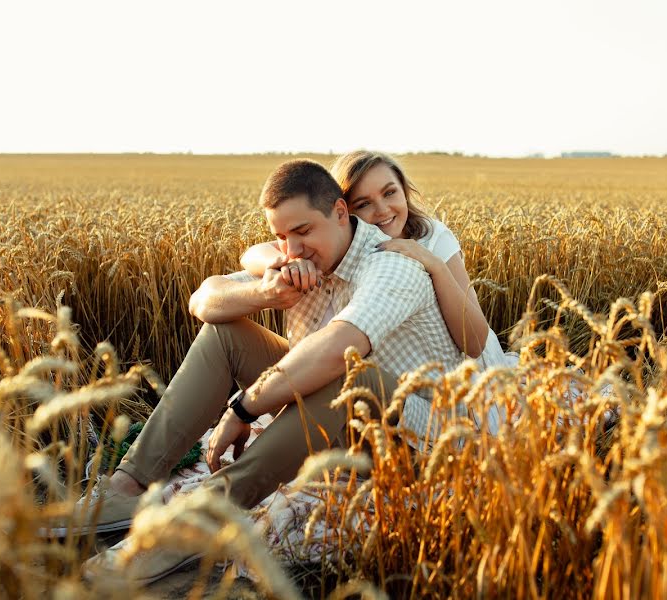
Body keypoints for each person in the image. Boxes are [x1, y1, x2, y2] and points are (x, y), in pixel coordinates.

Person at [70, 158, 467, 584]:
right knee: (226, 334)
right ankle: (130, 485)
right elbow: (203, 299)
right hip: (333, 418)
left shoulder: (392, 265)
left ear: (339, 213)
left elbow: (336, 351)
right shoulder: (303, 261)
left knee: (348, 370)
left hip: (421, 438)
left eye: (302, 232)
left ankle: (196, 524)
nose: (291, 249)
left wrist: (243, 409)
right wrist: (264, 292)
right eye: (281, 236)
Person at [240, 151, 516, 435]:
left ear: (404, 191)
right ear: (343, 214)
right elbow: (253, 254)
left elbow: (474, 342)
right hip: (381, 385)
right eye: (364, 203)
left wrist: (433, 265)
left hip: (457, 381)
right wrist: (285, 263)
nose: (382, 209)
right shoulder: (328, 246)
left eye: (389, 193)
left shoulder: (431, 237)